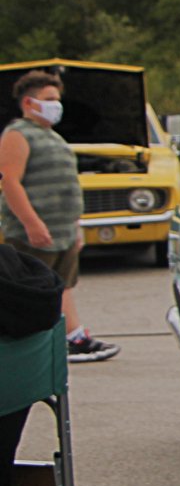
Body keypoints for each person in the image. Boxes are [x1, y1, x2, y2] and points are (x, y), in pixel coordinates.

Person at [0, 71, 119, 363]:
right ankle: (34, 348)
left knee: (62, 284)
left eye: (57, 99)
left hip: (62, 230)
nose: (56, 105)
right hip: (33, 232)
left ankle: (73, 337)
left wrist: (75, 226)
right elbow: (10, 181)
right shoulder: (18, 134)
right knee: (32, 290)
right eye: (49, 99)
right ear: (29, 102)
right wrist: (31, 222)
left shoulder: (52, 135)